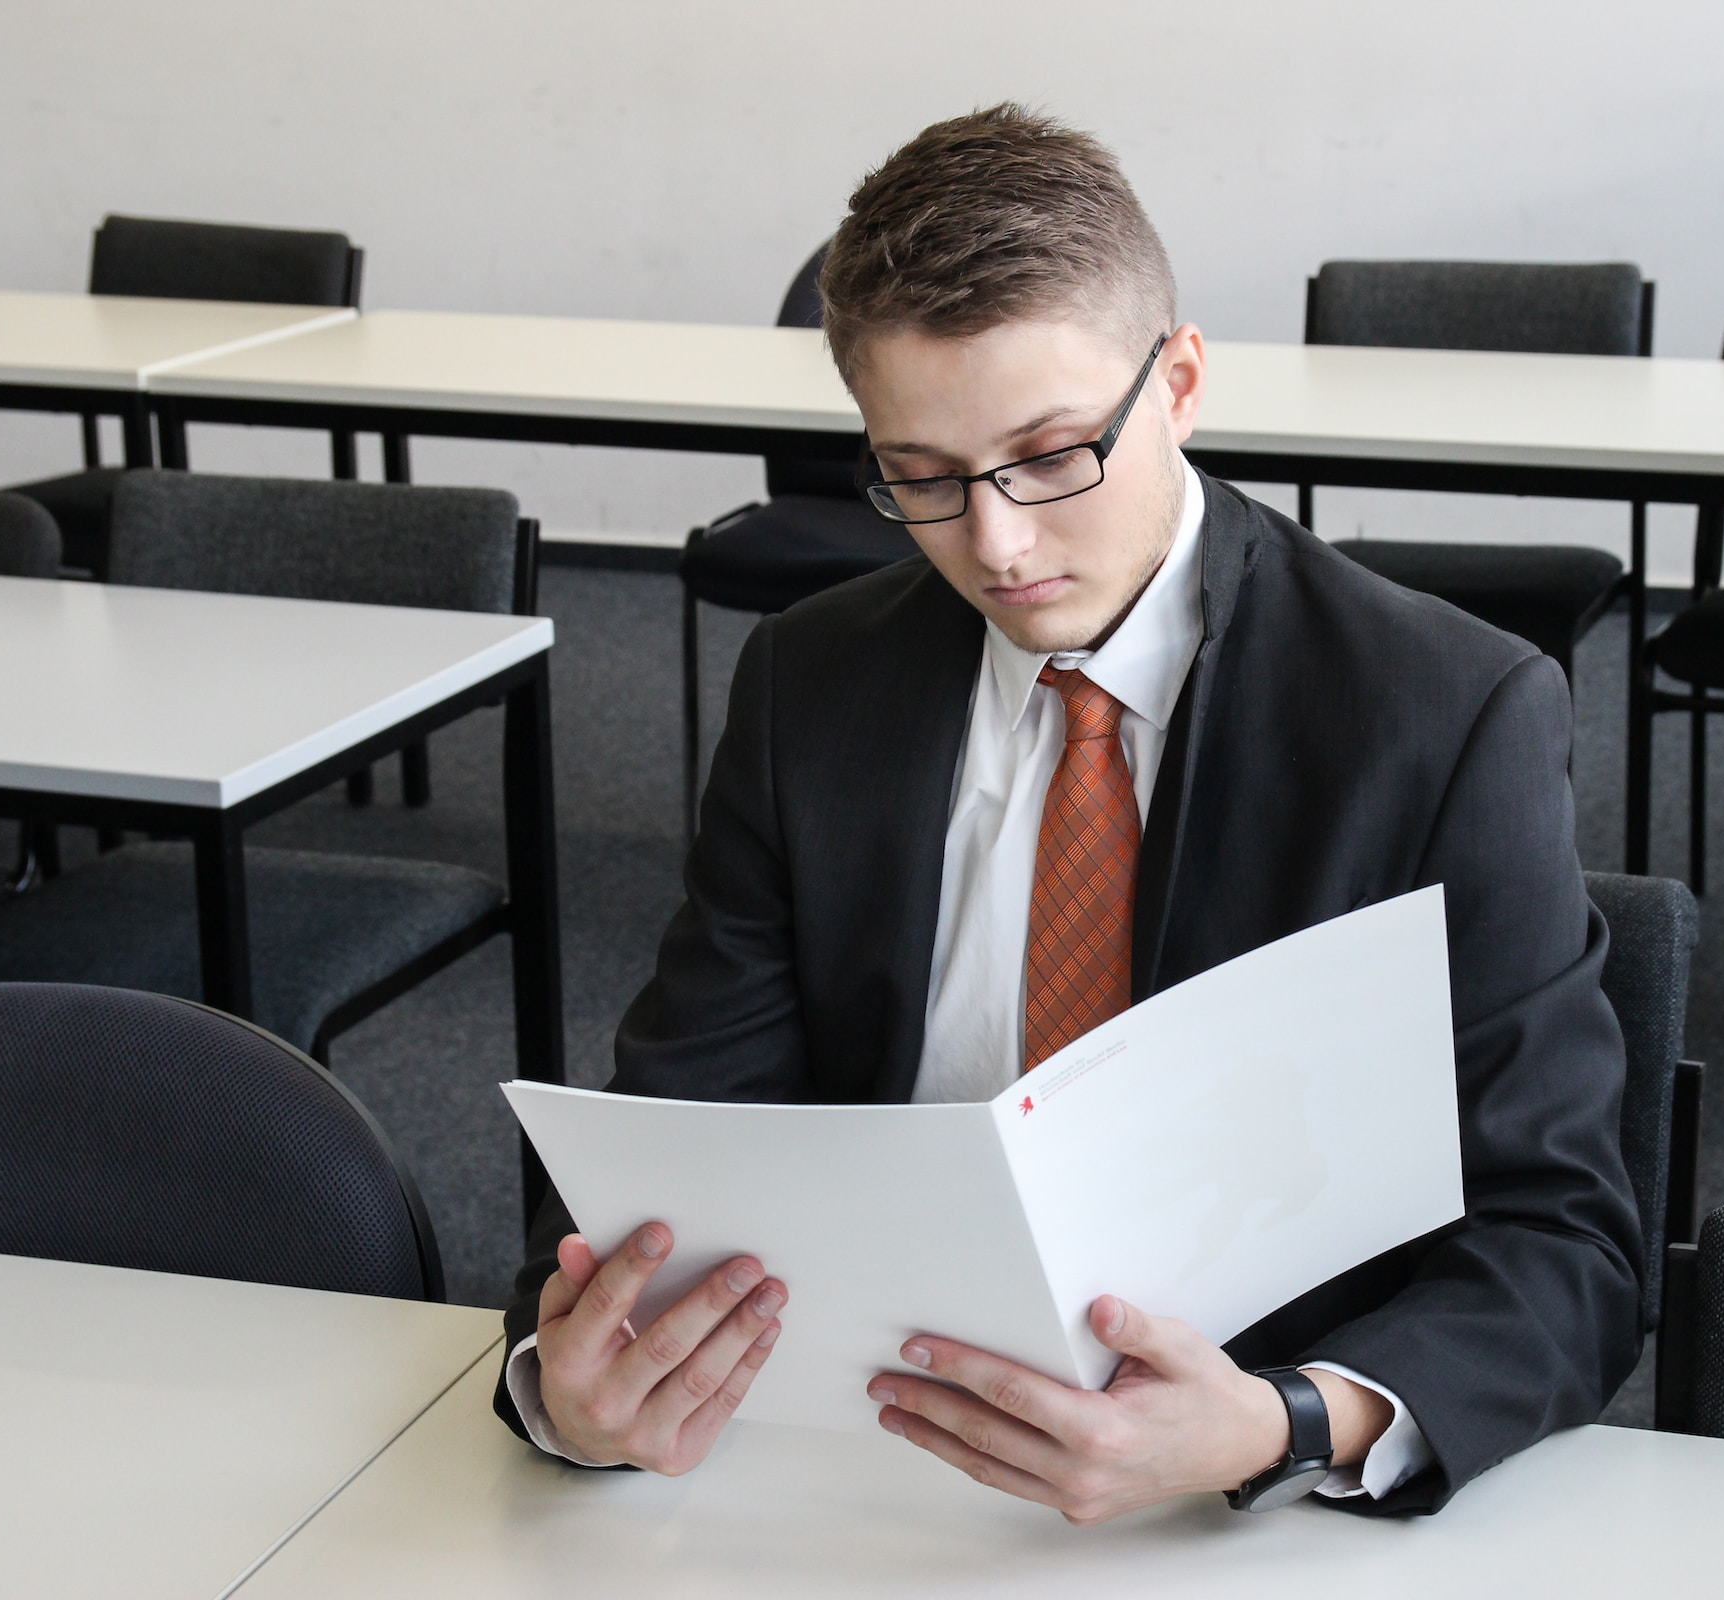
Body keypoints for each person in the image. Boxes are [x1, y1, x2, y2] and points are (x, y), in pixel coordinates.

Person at [495, 104, 1641, 1521]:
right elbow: (674, 1134)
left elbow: (1569, 1243)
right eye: (920, 478)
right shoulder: (814, 683)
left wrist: (1283, 1426)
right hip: (869, 1454)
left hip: (1250, 1498)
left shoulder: (1442, 714)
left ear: (1180, 382)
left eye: (1051, 456)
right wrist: (571, 1386)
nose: (998, 544)